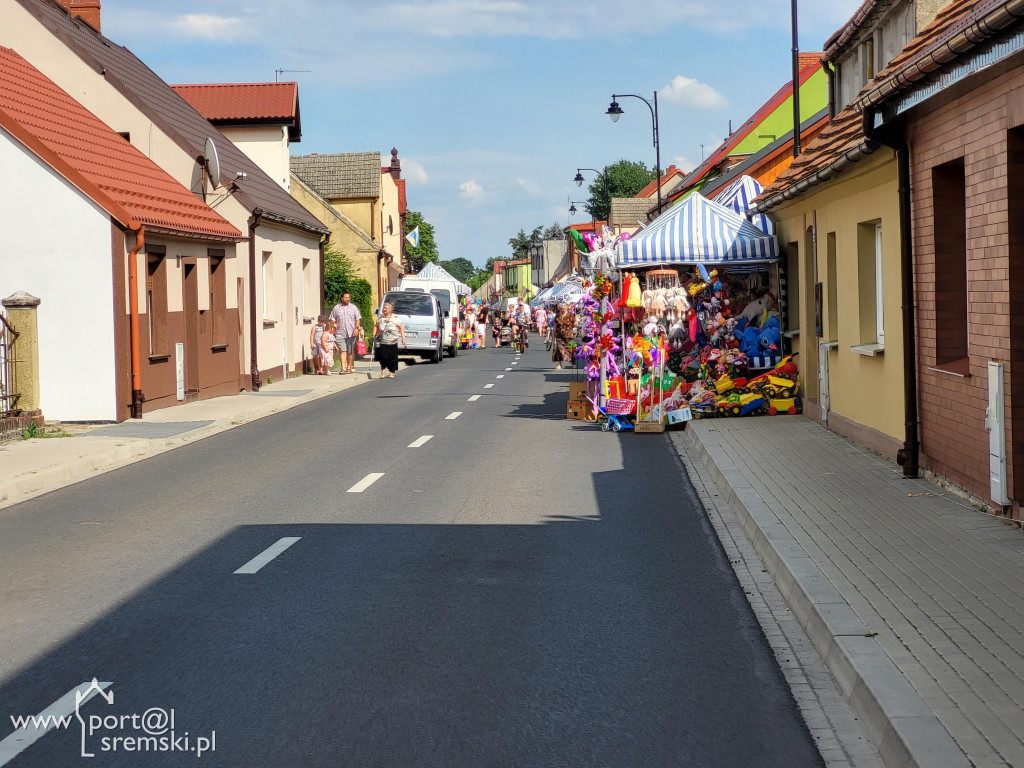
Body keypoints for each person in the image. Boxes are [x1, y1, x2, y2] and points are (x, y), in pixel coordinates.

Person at [329, 292, 363, 375]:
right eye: (346, 297)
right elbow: (332, 319)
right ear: (341, 298)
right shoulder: (336, 308)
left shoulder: (353, 307)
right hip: (340, 332)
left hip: (351, 332)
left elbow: (358, 319)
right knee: (343, 350)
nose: (347, 299)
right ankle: (343, 368)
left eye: (348, 297)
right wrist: (333, 323)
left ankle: (349, 367)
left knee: (350, 351)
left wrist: (356, 329)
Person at [373, 302, 406, 379]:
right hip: (383, 341)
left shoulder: (395, 318)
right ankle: (383, 371)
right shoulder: (380, 318)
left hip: (393, 341)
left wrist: (403, 338)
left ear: (390, 310)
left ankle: (391, 372)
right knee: (383, 357)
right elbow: (376, 326)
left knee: (392, 358)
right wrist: (373, 333)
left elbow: (401, 328)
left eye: (386, 308)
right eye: (384, 308)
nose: (384, 309)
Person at [552, 304, 575, 370]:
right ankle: (559, 364)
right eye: (561, 308)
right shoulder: (558, 316)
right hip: (559, 335)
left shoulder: (570, 315)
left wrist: (570, 328)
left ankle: (572, 362)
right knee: (559, 349)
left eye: (563, 308)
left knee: (572, 349)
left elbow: (575, 323)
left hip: (569, 335)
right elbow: (555, 326)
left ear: (566, 308)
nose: (562, 310)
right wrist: (553, 336)